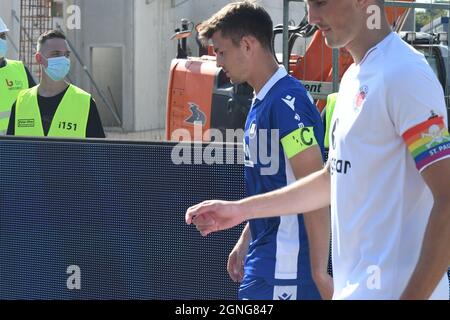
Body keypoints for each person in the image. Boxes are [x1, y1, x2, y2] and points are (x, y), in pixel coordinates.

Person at [187, 0, 450, 300]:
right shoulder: (353, 79)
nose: (311, 17)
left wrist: (316, 270)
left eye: (320, 2)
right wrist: (240, 211)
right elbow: (330, 179)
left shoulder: (405, 74)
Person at [193, 1, 332, 300]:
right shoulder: (263, 100)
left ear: (247, 45)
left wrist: (319, 271)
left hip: (288, 266)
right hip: (269, 259)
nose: (218, 62)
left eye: (221, 51)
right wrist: (246, 239)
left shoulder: (286, 102)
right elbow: (280, 183)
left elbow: (318, 189)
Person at [7, 30, 105, 138]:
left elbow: (99, 153)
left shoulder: (85, 102)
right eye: (56, 54)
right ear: (39, 58)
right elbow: (9, 151)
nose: (63, 59)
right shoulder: (21, 102)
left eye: (66, 55)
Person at [0, 17, 36, 135]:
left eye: (2, 36)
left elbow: (37, 105)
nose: (1, 40)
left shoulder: (20, 69)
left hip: (17, 146)